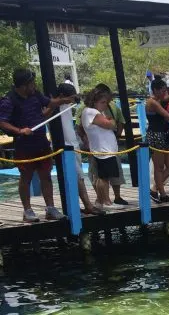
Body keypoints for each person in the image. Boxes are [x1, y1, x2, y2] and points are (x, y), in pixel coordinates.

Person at [0, 68, 73, 222]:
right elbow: (2, 122)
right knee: (25, 177)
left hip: (41, 141)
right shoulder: (9, 100)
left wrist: (64, 100)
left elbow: (49, 102)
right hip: (24, 144)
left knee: (46, 175)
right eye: (31, 83)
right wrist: (20, 130)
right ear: (23, 85)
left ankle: (50, 208)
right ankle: (27, 211)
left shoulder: (35, 94)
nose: (34, 85)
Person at [55, 82, 100, 215]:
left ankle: (81, 205)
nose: (73, 100)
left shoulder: (67, 106)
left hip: (73, 145)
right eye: (71, 97)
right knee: (78, 176)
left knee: (77, 176)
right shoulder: (56, 107)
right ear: (63, 96)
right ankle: (88, 205)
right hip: (66, 146)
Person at [80, 84, 130, 206]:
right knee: (104, 178)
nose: (105, 105)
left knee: (102, 177)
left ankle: (101, 201)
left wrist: (108, 120)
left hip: (105, 150)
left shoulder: (94, 112)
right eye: (103, 102)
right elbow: (112, 124)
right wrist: (111, 120)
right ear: (94, 101)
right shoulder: (91, 112)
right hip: (104, 151)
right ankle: (105, 201)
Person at [145, 77, 169, 202]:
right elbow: (168, 116)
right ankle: (162, 193)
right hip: (155, 134)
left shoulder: (160, 99)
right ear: (155, 90)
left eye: (165, 91)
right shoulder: (152, 102)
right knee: (159, 167)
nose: (164, 93)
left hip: (164, 134)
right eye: (162, 91)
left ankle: (154, 189)